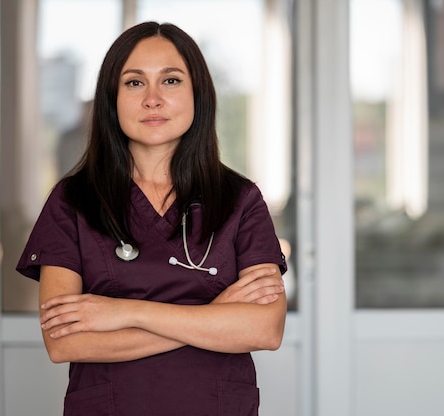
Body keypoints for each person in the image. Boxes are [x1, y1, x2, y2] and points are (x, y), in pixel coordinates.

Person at [16, 21, 287, 416]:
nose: (153, 99)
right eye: (134, 83)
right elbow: (64, 342)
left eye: (172, 81)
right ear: (112, 97)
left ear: (198, 94)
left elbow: (265, 329)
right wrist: (213, 318)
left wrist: (123, 311)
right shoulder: (73, 200)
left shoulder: (239, 200)